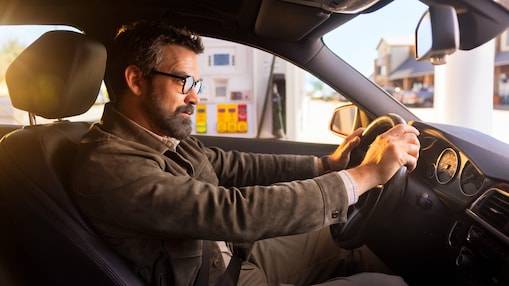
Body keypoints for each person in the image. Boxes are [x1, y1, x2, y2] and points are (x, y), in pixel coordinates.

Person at [71, 19, 420, 286]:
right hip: (221, 279)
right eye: (183, 82)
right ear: (136, 80)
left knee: (349, 245)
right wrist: (365, 174)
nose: (195, 97)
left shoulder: (161, 137)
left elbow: (233, 165)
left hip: (236, 254)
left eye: (197, 84)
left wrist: (324, 164)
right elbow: (228, 212)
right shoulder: (109, 164)